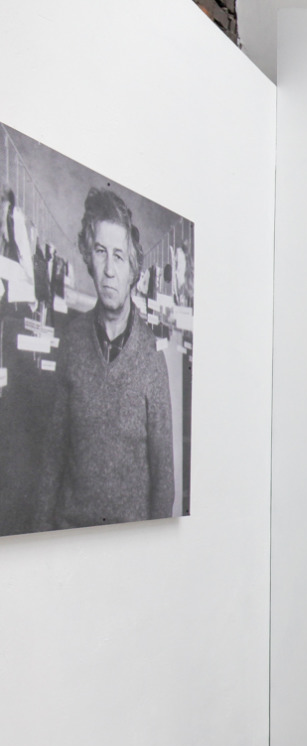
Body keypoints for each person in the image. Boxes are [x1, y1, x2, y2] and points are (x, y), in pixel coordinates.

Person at [34, 188, 174, 530]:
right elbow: (52, 457)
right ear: (89, 257)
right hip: (68, 533)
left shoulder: (152, 360)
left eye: (119, 256)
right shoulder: (72, 342)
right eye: (100, 252)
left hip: (128, 543)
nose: (109, 269)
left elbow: (163, 480)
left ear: (133, 270)